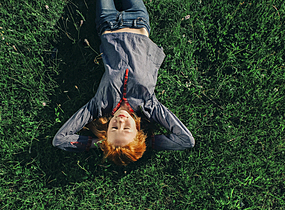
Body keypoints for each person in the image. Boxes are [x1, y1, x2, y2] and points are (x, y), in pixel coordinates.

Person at [52, 0, 195, 165]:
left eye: (113, 129)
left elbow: (60, 140)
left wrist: (100, 144)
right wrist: (146, 143)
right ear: (138, 131)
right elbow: (186, 140)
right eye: (126, 128)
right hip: (138, 21)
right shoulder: (148, 105)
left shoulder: (99, 105)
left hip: (108, 23)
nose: (120, 122)